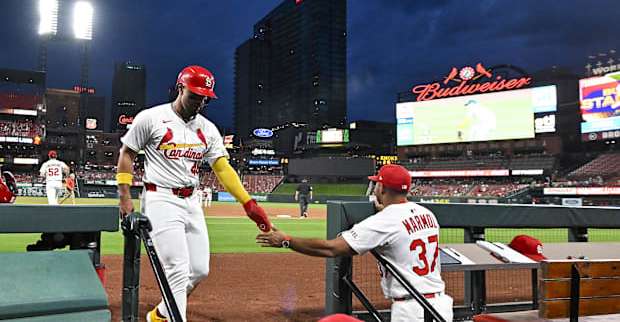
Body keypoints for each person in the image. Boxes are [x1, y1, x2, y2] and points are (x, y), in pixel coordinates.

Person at [116, 65, 272, 322]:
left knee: (199, 270)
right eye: (195, 95)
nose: (200, 101)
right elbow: (127, 153)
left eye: (205, 98)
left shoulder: (208, 129)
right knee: (177, 269)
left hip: (192, 200)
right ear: (180, 88)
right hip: (161, 198)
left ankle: (160, 315)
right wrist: (124, 195)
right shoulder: (151, 118)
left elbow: (222, 167)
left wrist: (249, 203)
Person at [256, 164, 453, 322]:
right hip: (441, 305)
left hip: (412, 310)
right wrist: (385, 211)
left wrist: (286, 241)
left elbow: (332, 248)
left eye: (376, 183)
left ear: (382, 187)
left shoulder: (384, 221)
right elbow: (400, 225)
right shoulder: (427, 214)